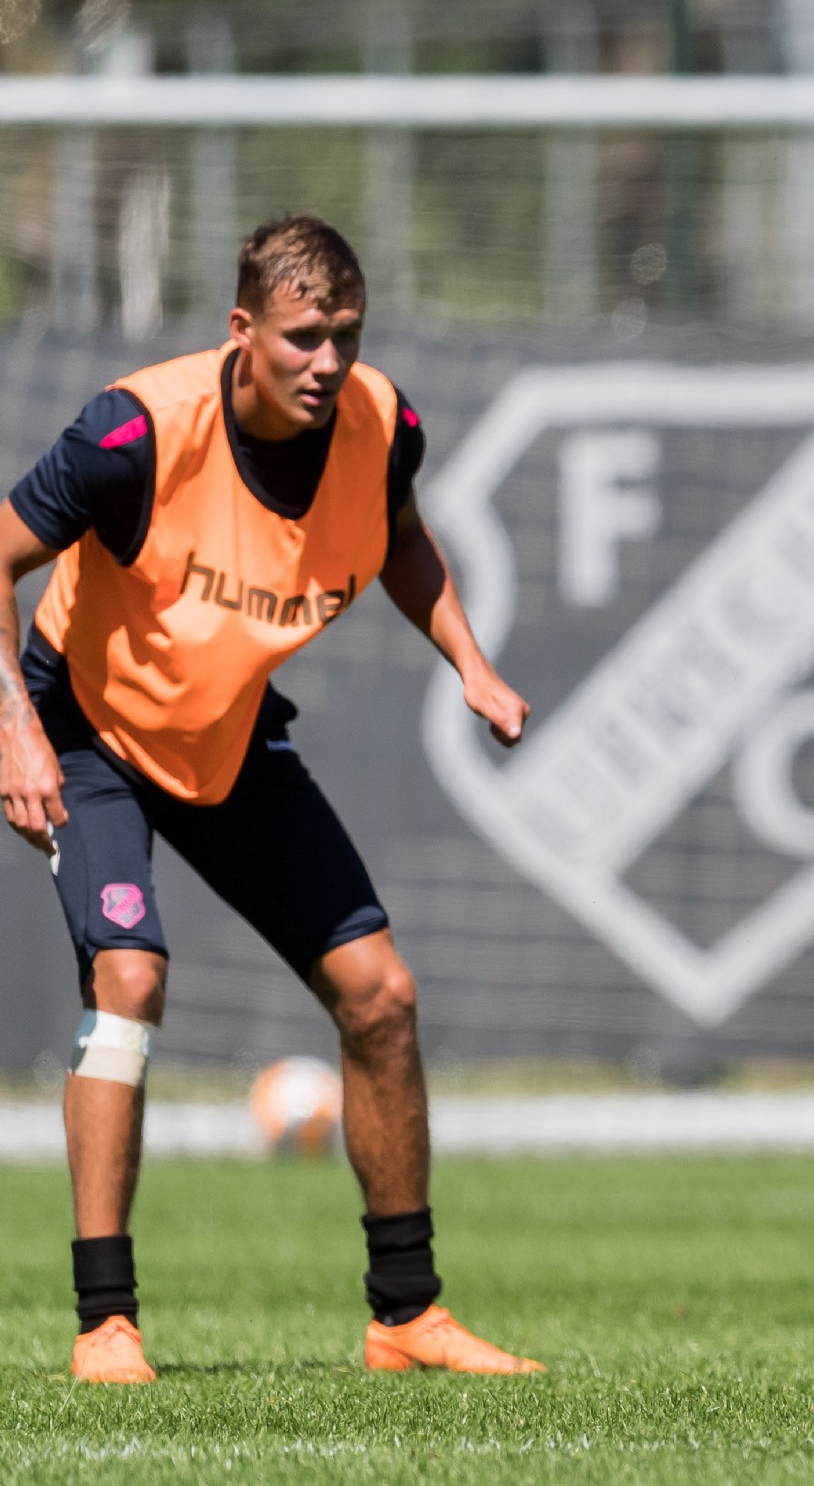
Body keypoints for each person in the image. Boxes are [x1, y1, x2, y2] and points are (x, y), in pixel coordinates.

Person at [0, 215, 542, 1383]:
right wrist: (17, 735)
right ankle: (108, 1321)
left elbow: (399, 538)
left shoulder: (379, 426)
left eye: (345, 336)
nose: (327, 363)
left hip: (224, 734)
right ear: (242, 331)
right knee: (131, 979)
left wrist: (472, 662)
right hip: (87, 724)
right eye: (303, 337)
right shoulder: (135, 434)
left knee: (381, 995)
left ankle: (407, 1313)